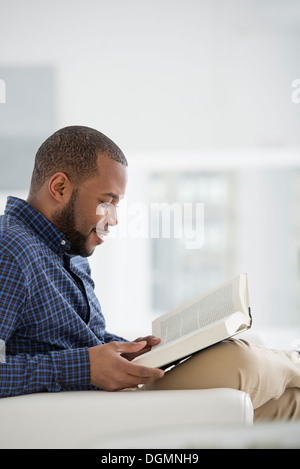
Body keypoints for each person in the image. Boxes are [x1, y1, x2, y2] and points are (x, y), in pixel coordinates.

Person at [0, 125, 299, 421]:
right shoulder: (10, 249)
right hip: (90, 409)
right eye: (107, 201)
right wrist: (86, 367)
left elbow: (72, 339)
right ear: (60, 188)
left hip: (111, 394)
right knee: (239, 360)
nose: (113, 220)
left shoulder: (68, 250)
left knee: (288, 403)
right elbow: (77, 358)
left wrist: (132, 350)